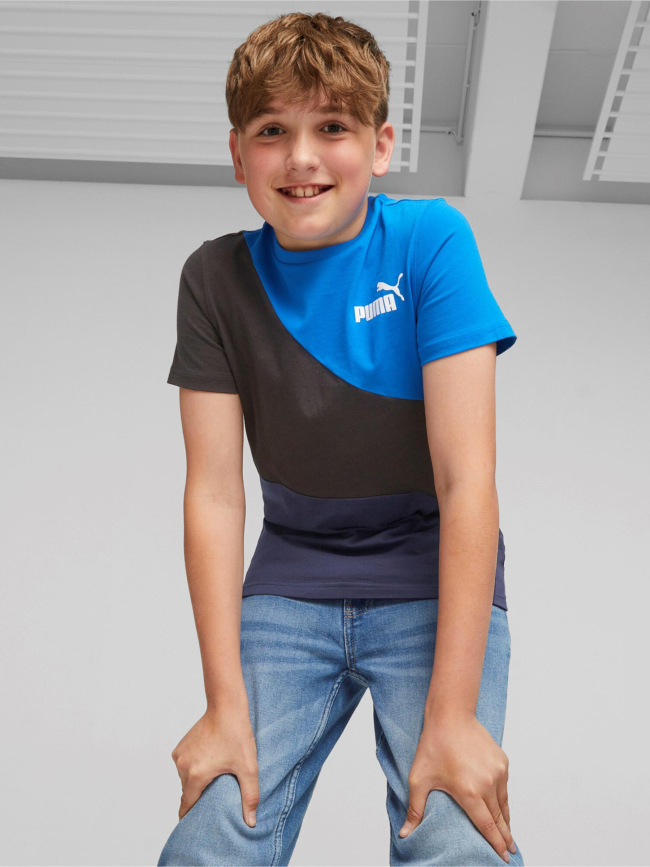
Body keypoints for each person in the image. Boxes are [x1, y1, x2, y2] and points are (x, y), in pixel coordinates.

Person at [156, 11, 525, 867]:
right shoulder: (213, 277)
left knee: (455, 836)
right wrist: (223, 706)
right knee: (209, 838)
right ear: (238, 154)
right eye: (271, 131)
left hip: (430, 581)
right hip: (292, 582)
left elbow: (467, 481)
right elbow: (214, 493)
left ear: (381, 145)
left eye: (332, 127)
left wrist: (454, 717)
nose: (301, 157)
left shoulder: (431, 240)